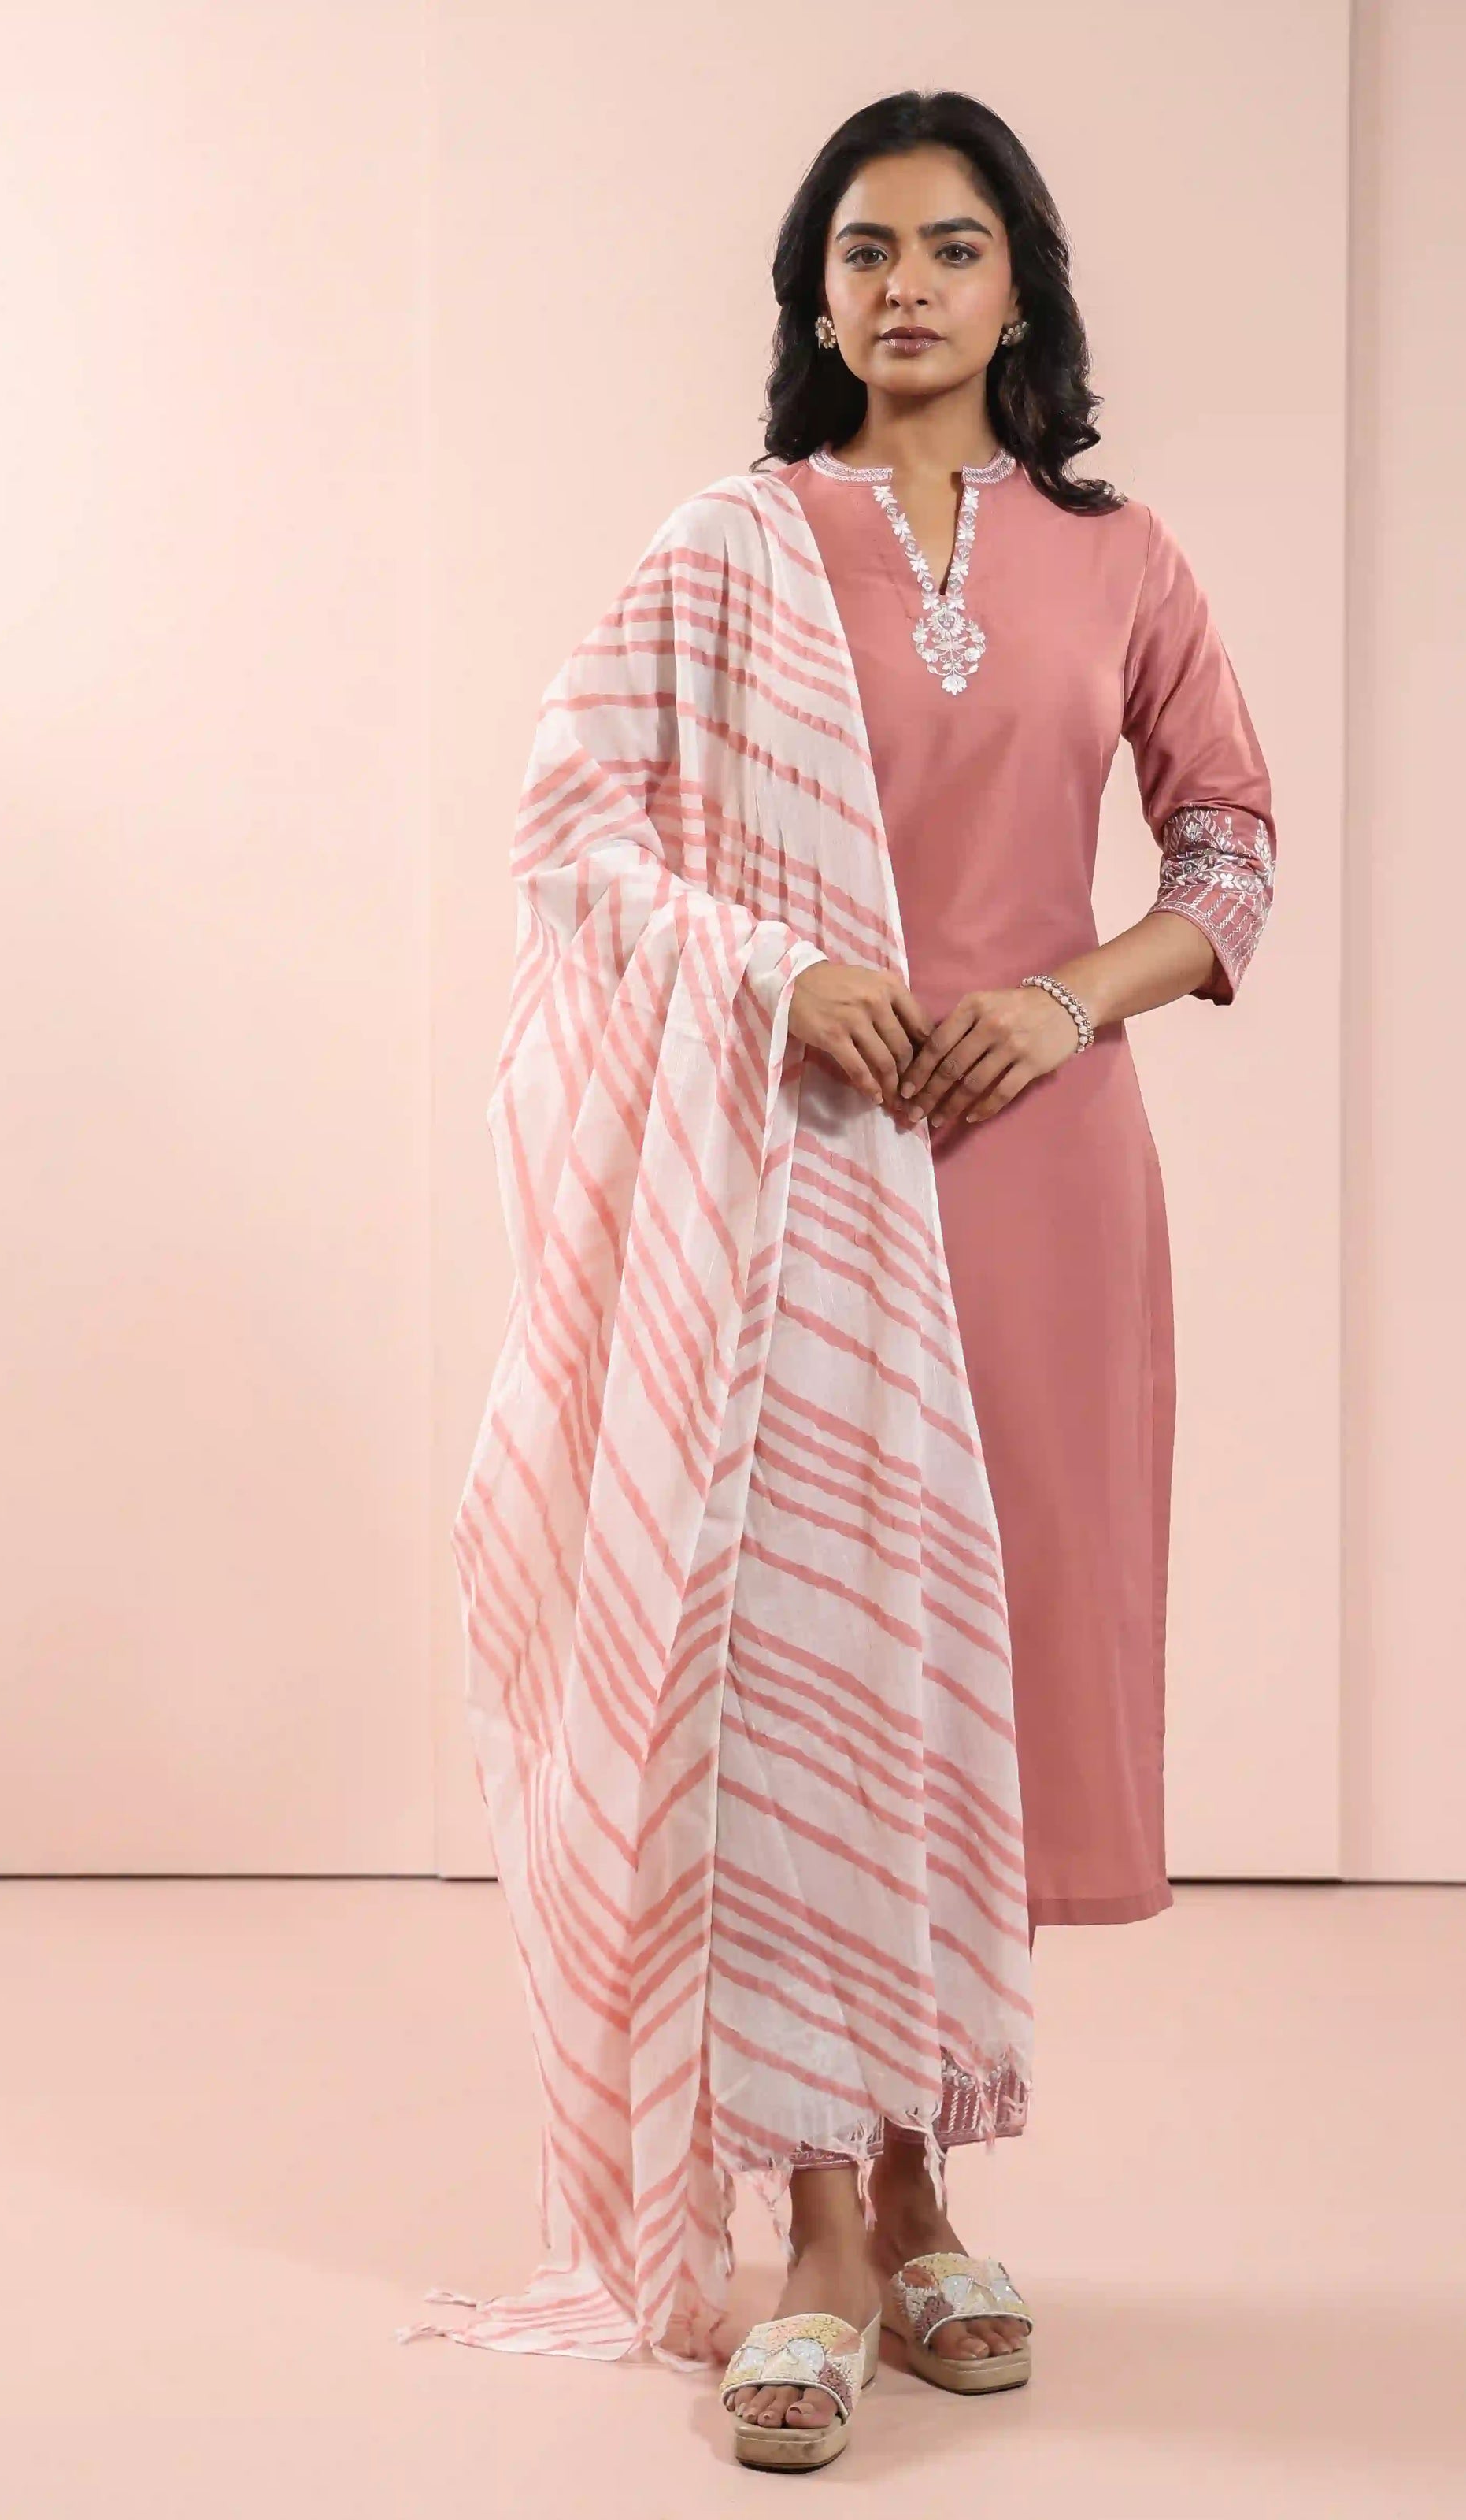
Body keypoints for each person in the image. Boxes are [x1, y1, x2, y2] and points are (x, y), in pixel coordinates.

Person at [402, 89, 1275, 2477]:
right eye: (866, 248)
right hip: (797, 1165)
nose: (906, 285)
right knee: (803, 1665)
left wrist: (1066, 1001)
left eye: (953, 247)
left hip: (1043, 1181)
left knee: (967, 1677)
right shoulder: (735, 548)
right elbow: (569, 827)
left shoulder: (1120, 561)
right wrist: (777, 974)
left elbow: (1229, 854)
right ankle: (807, 2228)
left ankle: (921, 2189)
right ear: (816, 288)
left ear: (1022, 288)